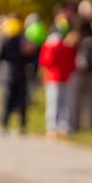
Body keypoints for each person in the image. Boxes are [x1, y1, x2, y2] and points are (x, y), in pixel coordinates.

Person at [0, 16, 34, 134]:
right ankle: (22, 125)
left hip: (6, 74)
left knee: (6, 100)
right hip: (21, 72)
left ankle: (4, 125)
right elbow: (30, 56)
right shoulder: (23, 41)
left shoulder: (2, 40)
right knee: (22, 100)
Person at [38, 9, 76, 138]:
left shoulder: (60, 44)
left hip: (58, 77)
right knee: (58, 103)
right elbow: (48, 61)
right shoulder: (59, 44)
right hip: (57, 77)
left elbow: (47, 61)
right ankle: (56, 126)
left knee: (59, 103)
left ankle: (58, 126)